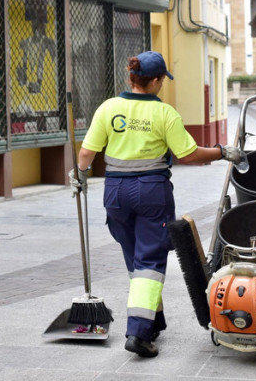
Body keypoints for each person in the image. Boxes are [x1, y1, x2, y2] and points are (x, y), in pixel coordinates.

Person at [68, 51, 246, 358]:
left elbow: (85, 154)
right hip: (151, 190)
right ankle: (138, 333)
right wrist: (221, 151)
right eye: (162, 79)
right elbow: (188, 154)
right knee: (149, 263)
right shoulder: (165, 114)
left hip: (116, 193)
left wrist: (80, 177)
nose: (162, 84)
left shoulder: (109, 107)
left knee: (136, 258)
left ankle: (153, 322)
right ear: (154, 80)